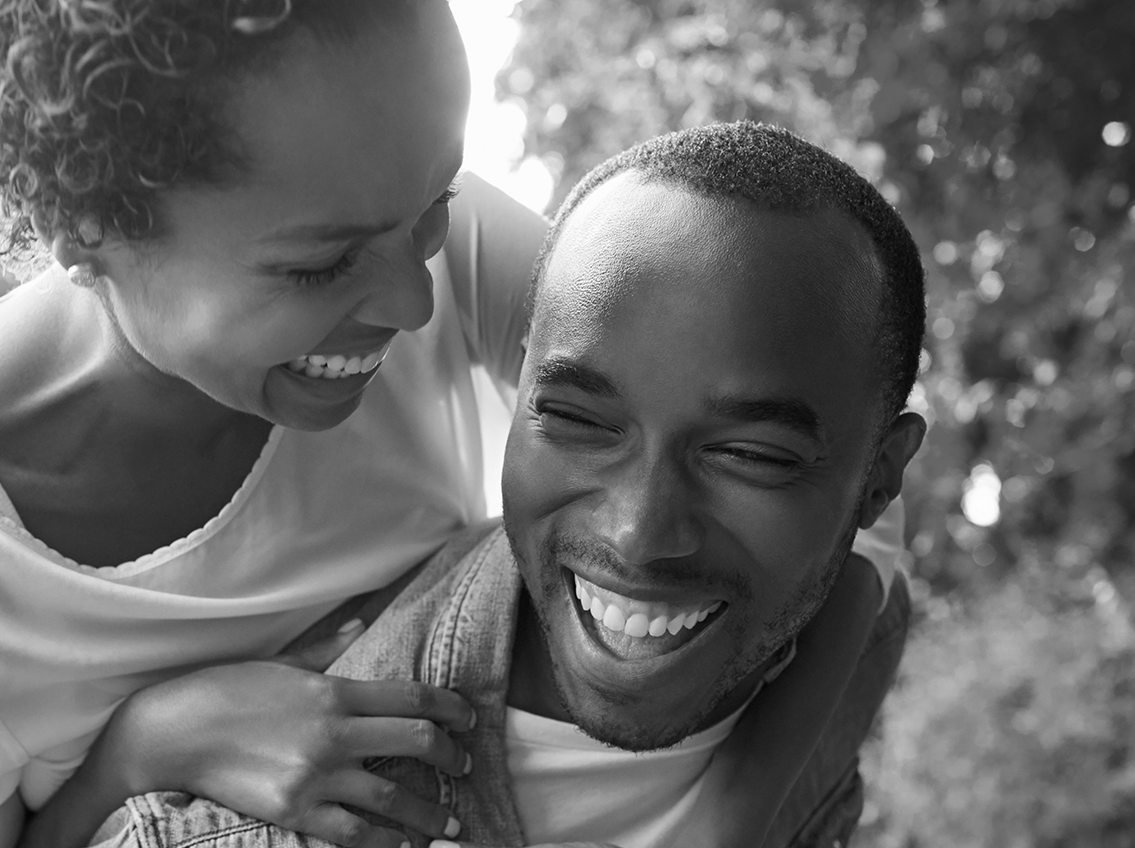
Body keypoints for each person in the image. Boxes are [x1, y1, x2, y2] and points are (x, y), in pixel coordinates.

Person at [0, 4, 907, 848]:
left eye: (434, 211)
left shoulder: (411, 241)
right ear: (85, 228)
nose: (417, 304)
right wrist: (146, 744)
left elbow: (801, 490)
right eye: (317, 266)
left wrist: (738, 820)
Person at [86, 121, 927, 848]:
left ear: (879, 480)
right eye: (580, 421)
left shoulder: (848, 642)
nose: (638, 532)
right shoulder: (261, 825)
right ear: (516, 387)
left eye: (750, 456)